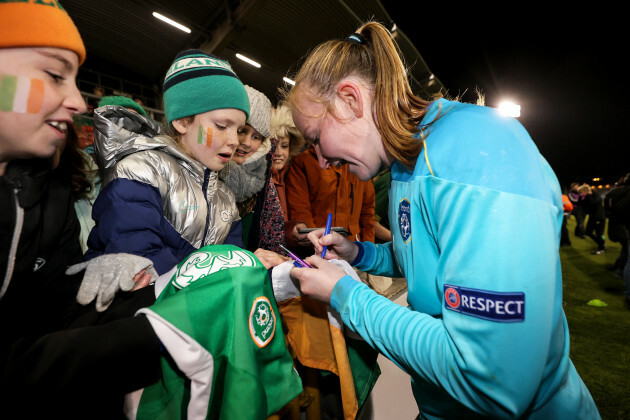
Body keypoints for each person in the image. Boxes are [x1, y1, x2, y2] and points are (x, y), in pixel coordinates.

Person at [284, 21, 600, 418]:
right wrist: (360, 253)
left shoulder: (477, 156)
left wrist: (346, 296)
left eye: (315, 138)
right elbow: (426, 262)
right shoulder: (404, 163)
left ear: (350, 100)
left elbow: (490, 381)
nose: (321, 159)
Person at [0, 2, 161, 416]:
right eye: (54, 75)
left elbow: (49, 309)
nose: (76, 100)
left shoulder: (43, 192)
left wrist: (149, 289)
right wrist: (157, 339)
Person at [85, 49, 247, 277]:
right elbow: (143, 268)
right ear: (182, 121)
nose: (234, 141)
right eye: (221, 126)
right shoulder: (138, 172)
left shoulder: (226, 200)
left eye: (239, 130)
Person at [219, 85, 285, 253]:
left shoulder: (263, 184)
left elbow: (273, 242)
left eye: (256, 137)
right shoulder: (205, 174)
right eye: (242, 131)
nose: (247, 143)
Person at [285, 143, 375, 257]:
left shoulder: (359, 164)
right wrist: (318, 245)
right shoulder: (303, 162)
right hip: (318, 252)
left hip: (355, 251)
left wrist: (368, 251)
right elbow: (300, 211)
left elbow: (368, 212)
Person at [579, 184, 607, 254]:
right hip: (592, 217)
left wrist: (588, 195)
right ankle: (601, 243)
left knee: (599, 234)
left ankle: (601, 248)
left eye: (581, 192)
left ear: (585, 191)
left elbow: (593, 203)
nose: (580, 194)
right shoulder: (586, 197)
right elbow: (583, 205)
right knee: (588, 232)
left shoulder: (595, 195)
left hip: (599, 217)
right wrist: (583, 198)